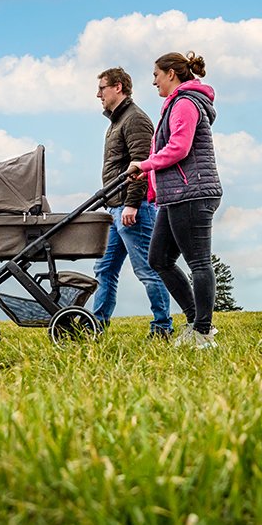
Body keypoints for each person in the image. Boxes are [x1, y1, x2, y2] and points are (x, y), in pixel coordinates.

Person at [128, 51, 222, 349]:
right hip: (176, 195)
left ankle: (203, 331)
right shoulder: (176, 104)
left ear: (171, 73)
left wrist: (145, 164)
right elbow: (172, 151)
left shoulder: (184, 103)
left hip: (192, 193)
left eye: (156, 75)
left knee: (198, 261)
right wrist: (151, 173)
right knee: (159, 259)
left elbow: (179, 148)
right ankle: (196, 321)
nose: (154, 81)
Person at [91, 67, 174, 338]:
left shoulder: (135, 119)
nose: (98, 94)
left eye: (102, 88)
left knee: (148, 270)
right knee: (104, 269)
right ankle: (96, 325)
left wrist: (132, 203)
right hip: (116, 209)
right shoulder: (116, 121)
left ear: (118, 87)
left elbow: (141, 165)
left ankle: (163, 327)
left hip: (133, 209)